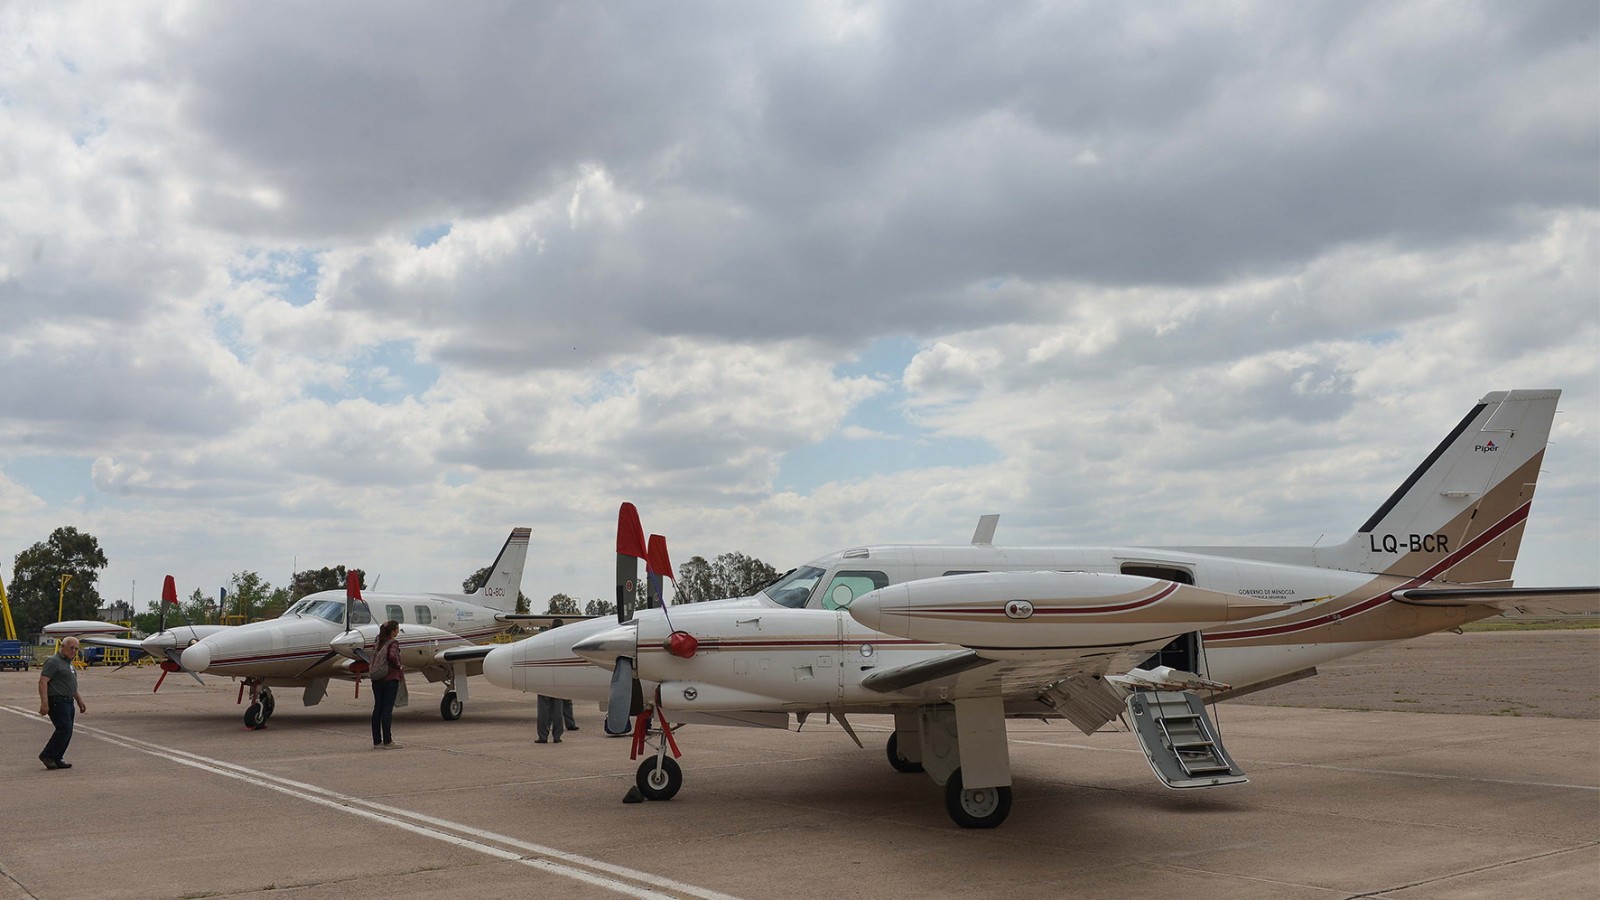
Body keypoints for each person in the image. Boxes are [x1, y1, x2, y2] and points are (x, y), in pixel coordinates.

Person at [37, 636, 86, 770]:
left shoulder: (68, 663)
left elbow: (71, 685)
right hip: (57, 701)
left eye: (76, 649)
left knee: (68, 730)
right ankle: (47, 755)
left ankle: (57, 757)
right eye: (71, 648)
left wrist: (79, 701)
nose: (74, 651)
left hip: (68, 701)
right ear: (62, 647)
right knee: (63, 729)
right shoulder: (54, 661)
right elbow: (43, 682)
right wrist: (44, 703)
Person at [370, 620, 405, 749]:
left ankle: (377, 741)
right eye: (397, 629)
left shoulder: (378, 641)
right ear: (393, 631)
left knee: (377, 708)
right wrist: (399, 666)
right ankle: (388, 741)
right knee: (387, 710)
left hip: (376, 679)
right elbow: (392, 656)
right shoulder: (393, 643)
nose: (398, 632)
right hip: (390, 679)